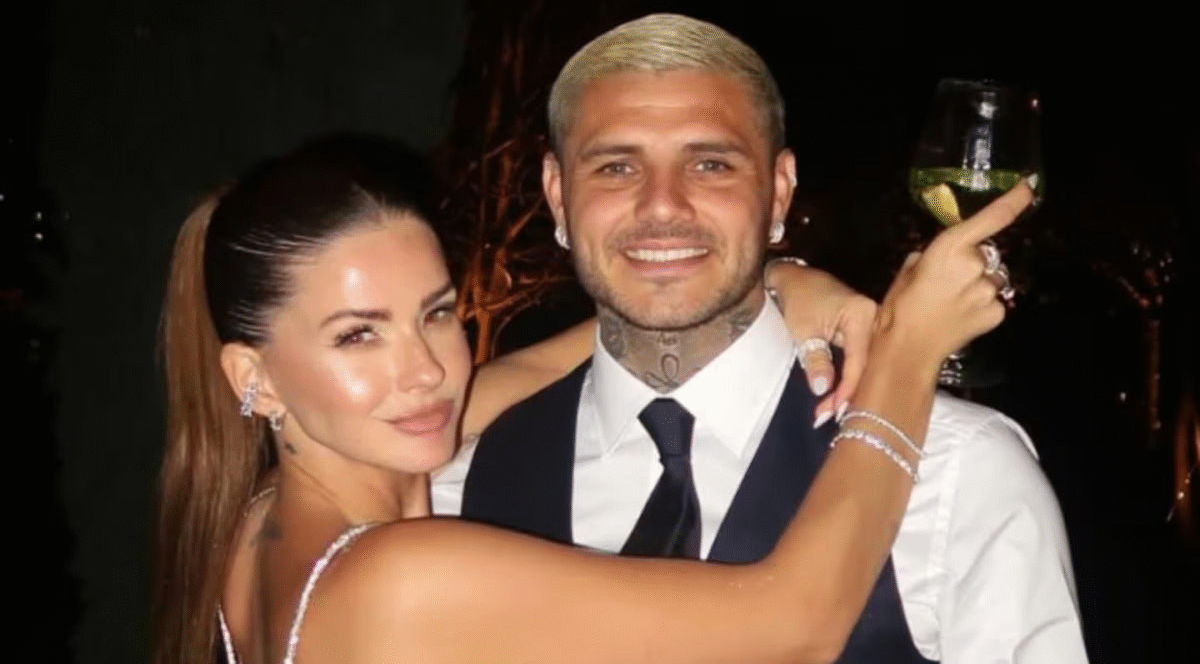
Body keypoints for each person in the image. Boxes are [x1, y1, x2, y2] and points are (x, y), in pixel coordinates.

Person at [153, 131, 1020, 664]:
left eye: (437, 313)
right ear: (252, 375)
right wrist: (908, 353)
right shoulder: (395, 578)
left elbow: (535, 369)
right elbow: (798, 622)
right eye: (357, 335)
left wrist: (771, 286)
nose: (425, 371)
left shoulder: (258, 523)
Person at [434, 13, 1088, 664]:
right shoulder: (457, 485)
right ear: (557, 195)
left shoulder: (960, 473)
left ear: (778, 192)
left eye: (711, 164)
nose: (662, 204)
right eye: (616, 167)